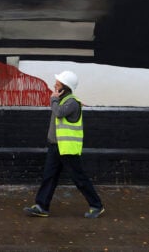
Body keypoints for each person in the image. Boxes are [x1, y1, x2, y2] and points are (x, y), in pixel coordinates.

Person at [24, 70, 105, 219]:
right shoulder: (67, 101)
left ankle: (96, 206)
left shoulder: (71, 102)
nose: (54, 85)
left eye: (58, 83)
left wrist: (53, 99)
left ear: (65, 87)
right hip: (55, 146)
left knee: (79, 179)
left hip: (67, 149)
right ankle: (41, 206)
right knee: (49, 176)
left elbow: (59, 112)